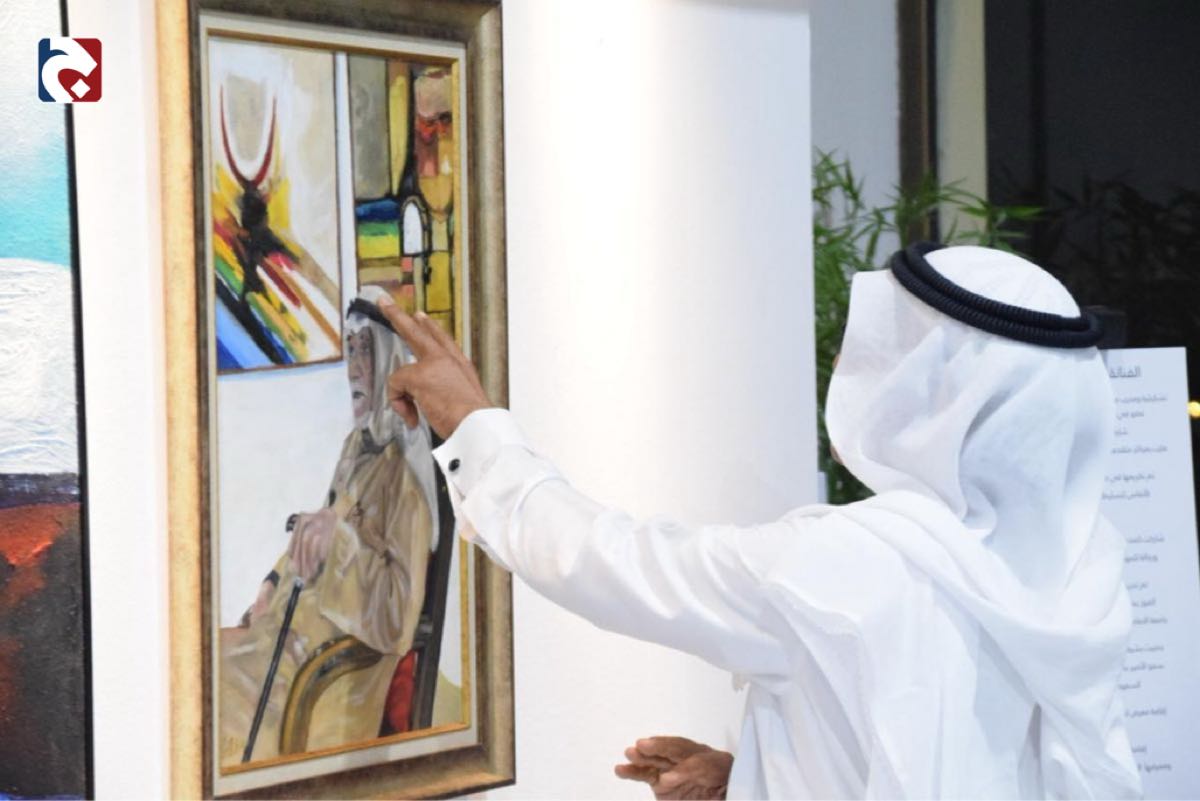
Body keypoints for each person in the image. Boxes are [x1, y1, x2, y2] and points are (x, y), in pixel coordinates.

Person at [376, 243, 1142, 799]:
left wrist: (473, 424)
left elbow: (606, 560)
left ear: (935, 392)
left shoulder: (854, 564)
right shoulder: (1083, 575)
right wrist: (763, 773)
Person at [219, 288, 439, 764]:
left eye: (366, 351)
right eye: (350, 350)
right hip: (286, 640)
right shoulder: (356, 449)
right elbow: (322, 526)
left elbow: (398, 617)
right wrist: (272, 580)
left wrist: (338, 542)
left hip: (328, 675)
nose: (354, 368)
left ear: (391, 360)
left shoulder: (407, 474)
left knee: (207, 696)